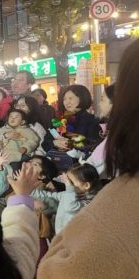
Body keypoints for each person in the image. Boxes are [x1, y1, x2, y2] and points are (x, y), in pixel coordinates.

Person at [38, 40, 139, 278]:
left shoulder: (122, 201)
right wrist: (55, 143)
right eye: (66, 97)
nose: (68, 101)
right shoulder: (60, 120)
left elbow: (58, 270)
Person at [31, 163, 102, 235]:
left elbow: (70, 207)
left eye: (71, 182)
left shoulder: (90, 203)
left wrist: (69, 188)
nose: (67, 184)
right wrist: (30, 190)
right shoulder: (70, 194)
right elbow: (50, 195)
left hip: (69, 238)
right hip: (60, 232)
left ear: (86, 185)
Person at [53, 84, 101, 154]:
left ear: (82, 98)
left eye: (70, 98)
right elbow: (47, 139)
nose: (67, 102)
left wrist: (69, 143)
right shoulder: (60, 119)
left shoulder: (92, 121)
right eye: (64, 99)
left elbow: (91, 144)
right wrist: (54, 143)